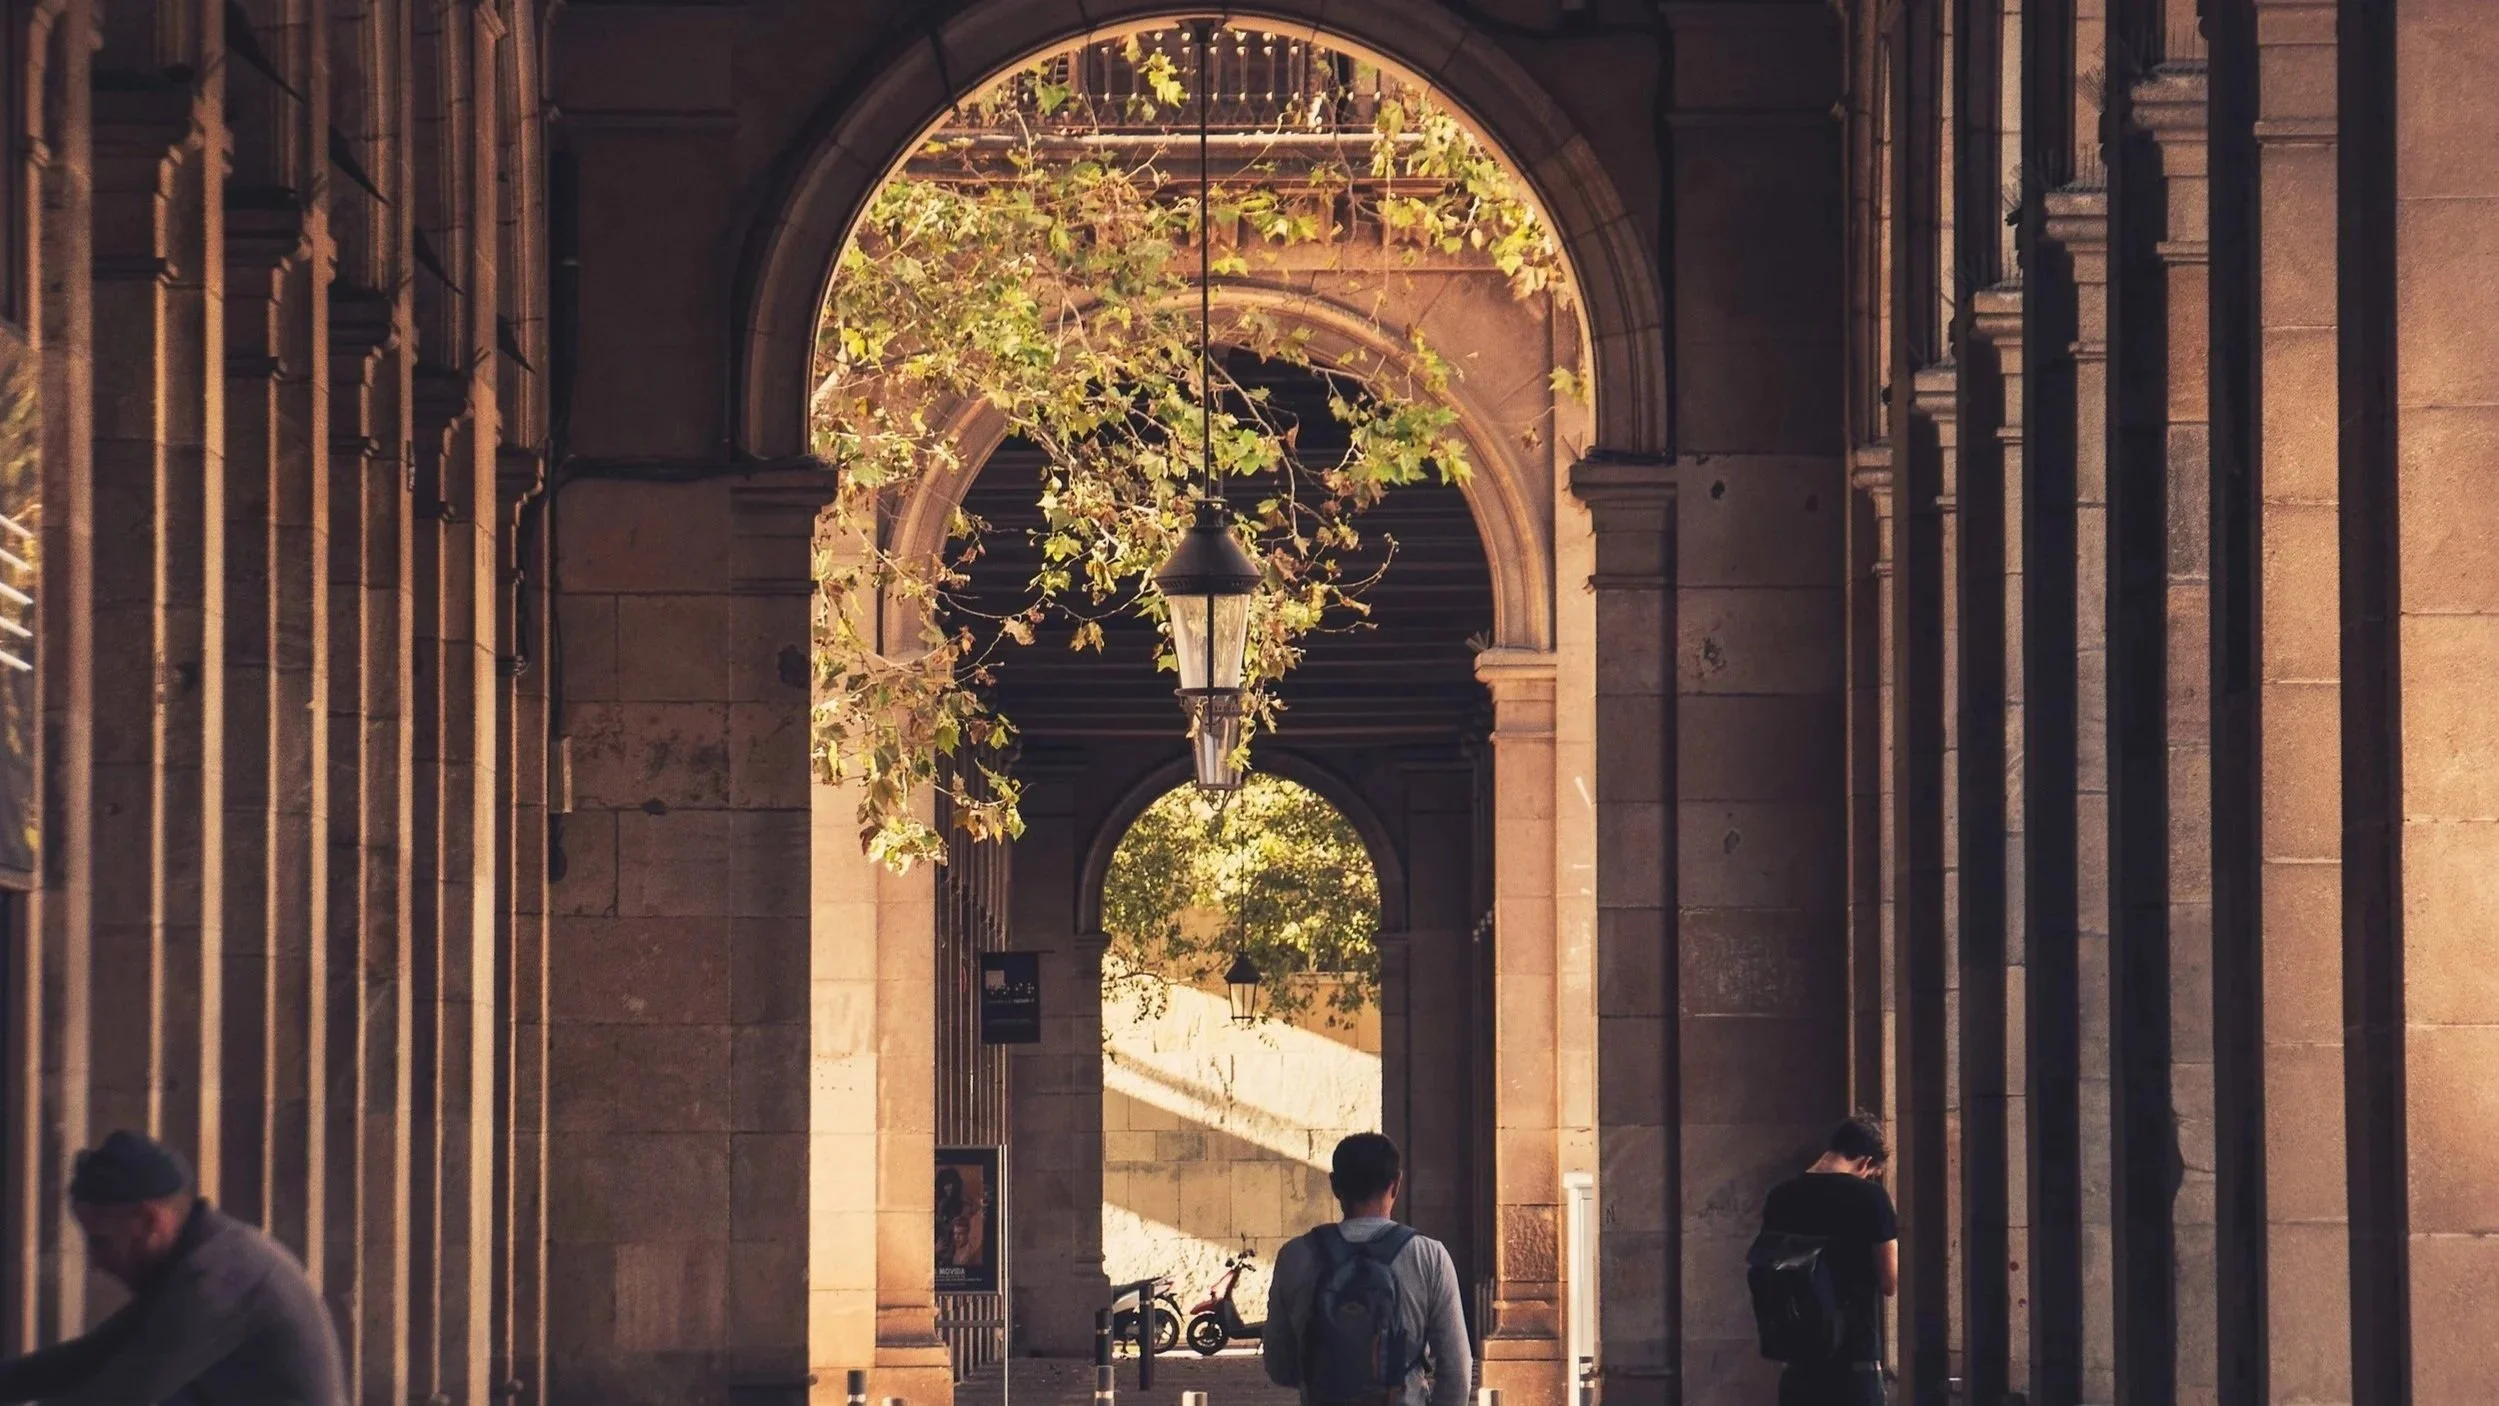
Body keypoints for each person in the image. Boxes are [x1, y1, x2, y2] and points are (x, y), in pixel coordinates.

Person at [0, 1130, 348, 1406]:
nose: (97, 1263)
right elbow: (92, 1357)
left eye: (101, 1241)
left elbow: (116, 1392)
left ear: (150, 1220)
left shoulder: (221, 1277)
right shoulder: (200, 1261)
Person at [1263, 1132, 1470, 1406]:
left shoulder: (1295, 1256)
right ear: (1396, 1183)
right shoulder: (1429, 1256)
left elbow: (1279, 1366)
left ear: (1335, 1186)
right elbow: (1457, 1373)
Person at [1757, 1115, 1900, 1406]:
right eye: (1871, 1172)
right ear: (1864, 1162)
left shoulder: (1781, 1197)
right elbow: (1889, 1282)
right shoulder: (1872, 1197)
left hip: (1799, 1357)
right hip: (1854, 1357)